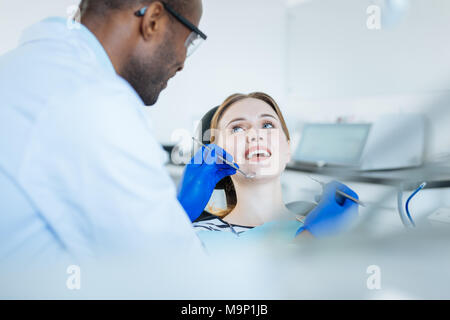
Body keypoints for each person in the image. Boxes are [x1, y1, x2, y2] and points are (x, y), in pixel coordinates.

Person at [0, 0, 236, 262]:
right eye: (190, 40)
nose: (182, 63)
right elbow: (172, 276)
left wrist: (173, 213)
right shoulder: (92, 102)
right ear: (153, 20)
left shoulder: (25, 67)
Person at [190, 93, 360, 239]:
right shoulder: (197, 237)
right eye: (237, 128)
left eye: (267, 125)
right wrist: (312, 238)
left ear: (288, 149)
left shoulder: (334, 229)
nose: (256, 134)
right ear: (215, 155)